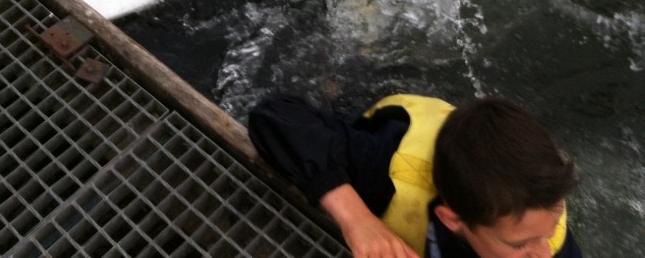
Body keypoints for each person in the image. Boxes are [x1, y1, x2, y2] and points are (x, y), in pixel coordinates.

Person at [248, 93, 583, 257]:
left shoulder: (543, 223)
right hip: (385, 134)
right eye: (519, 245)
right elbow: (274, 115)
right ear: (453, 220)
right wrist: (357, 219)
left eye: (549, 228)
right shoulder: (386, 171)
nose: (543, 255)